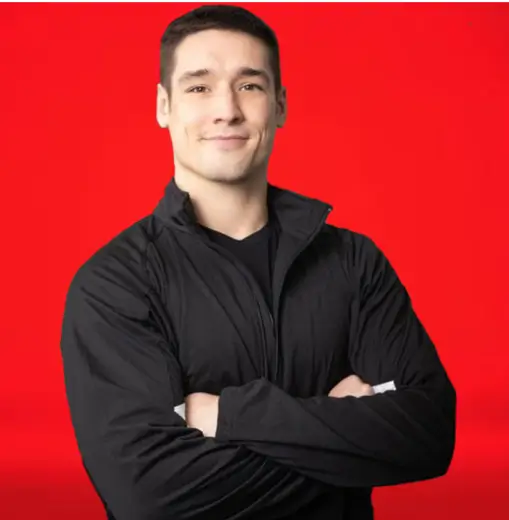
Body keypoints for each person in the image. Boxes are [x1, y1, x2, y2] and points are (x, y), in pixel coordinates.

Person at [60, 4, 456, 520]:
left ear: (281, 104)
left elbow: (427, 435)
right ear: (164, 105)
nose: (227, 109)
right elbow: (149, 496)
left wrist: (226, 415)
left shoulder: (353, 262)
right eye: (199, 87)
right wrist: (341, 437)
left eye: (249, 85)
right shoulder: (115, 283)